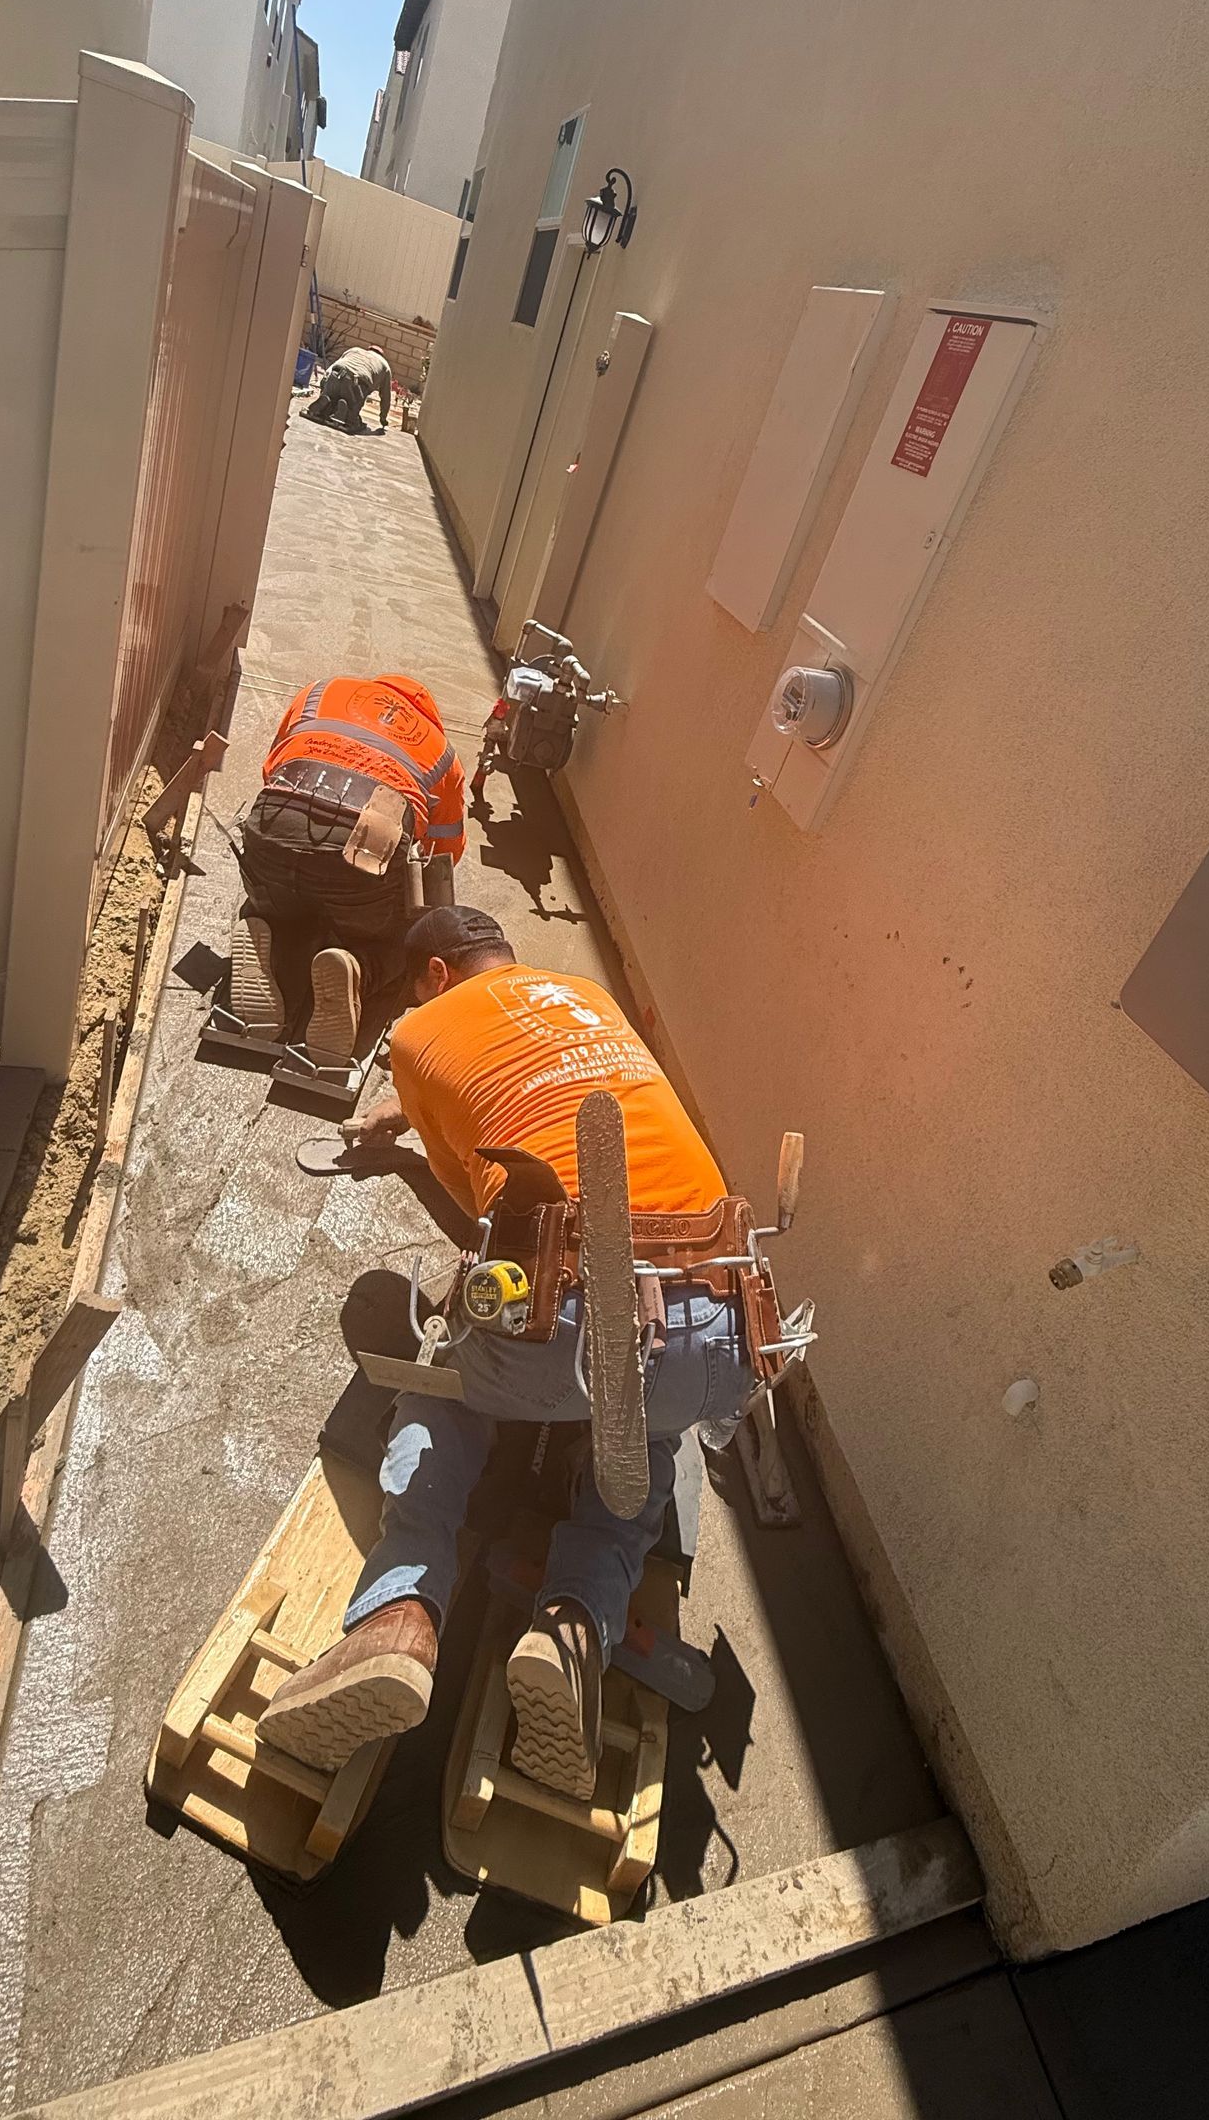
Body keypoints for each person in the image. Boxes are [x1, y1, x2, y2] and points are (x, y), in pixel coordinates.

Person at [257, 906, 751, 1798]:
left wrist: (400, 1122)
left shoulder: (417, 1030)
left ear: (436, 977)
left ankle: (399, 1617)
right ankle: (573, 1630)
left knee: (448, 1384)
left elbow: (479, 1218)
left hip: (559, 1323)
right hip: (723, 1328)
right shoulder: (584, 994)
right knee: (641, 1433)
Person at [228, 674, 464, 1063]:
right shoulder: (441, 754)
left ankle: (264, 938)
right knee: (395, 937)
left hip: (274, 830)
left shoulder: (321, 692)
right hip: (358, 867)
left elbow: (274, 767)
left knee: (281, 903)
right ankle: (357, 968)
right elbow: (444, 852)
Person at [305, 345, 394, 435]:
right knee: (353, 420)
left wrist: (323, 390)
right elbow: (385, 397)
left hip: (335, 375)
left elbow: (329, 370)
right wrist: (383, 420)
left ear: (368, 349)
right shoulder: (384, 365)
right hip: (356, 383)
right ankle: (346, 412)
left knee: (330, 401)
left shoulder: (354, 350)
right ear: (382, 355)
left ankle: (325, 403)